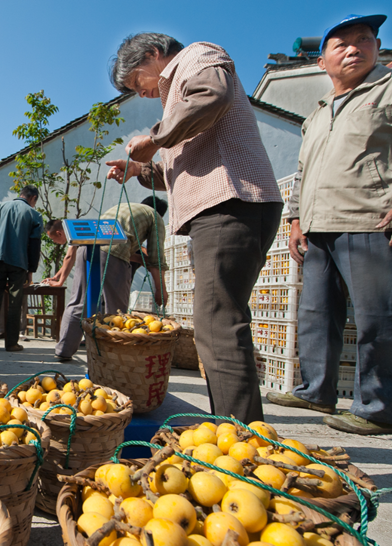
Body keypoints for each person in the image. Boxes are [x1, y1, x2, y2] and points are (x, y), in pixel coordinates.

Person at [266, 15, 392, 435]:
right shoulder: (318, 114)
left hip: (373, 219)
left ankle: (375, 408)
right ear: (322, 61)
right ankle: (317, 390)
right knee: (315, 312)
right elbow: (304, 171)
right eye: (341, 44)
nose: (354, 48)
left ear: (377, 47)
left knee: (380, 316)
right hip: (320, 224)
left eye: (364, 40)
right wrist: (296, 219)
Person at [106, 33, 283, 423]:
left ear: (154, 55)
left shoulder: (197, 57)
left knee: (218, 325)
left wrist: (154, 138)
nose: (145, 93)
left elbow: (211, 97)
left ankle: (240, 438)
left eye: (139, 82)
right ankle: (237, 430)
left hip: (230, 203)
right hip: (220, 209)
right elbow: (176, 169)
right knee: (217, 322)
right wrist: (139, 169)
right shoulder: (177, 106)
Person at [45, 196, 169, 362]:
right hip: (113, 253)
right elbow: (156, 258)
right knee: (115, 309)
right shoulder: (154, 217)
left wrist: (60, 277)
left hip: (86, 248)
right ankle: (111, 358)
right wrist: (161, 290)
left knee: (79, 302)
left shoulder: (124, 207)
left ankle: (63, 351)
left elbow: (113, 243)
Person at [0, 185, 43, 352]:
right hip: (19, 263)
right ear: (33, 198)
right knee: (15, 304)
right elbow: (34, 245)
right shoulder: (34, 215)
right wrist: (31, 270)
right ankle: (11, 344)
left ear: (21, 194)